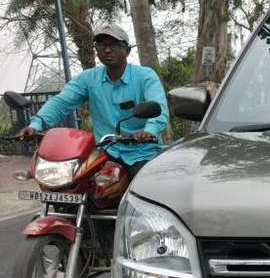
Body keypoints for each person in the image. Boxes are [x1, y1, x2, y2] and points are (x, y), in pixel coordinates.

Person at [16, 24, 169, 177]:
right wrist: (36, 125)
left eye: (113, 45)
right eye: (101, 45)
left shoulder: (145, 76)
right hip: (105, 152)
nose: (107, 50)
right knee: (74, 182)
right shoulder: (89, 78)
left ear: (127, 50)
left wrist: (149, 131)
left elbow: (159, 109)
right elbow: (61, 102)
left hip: (141, 152)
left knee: (145, 190)